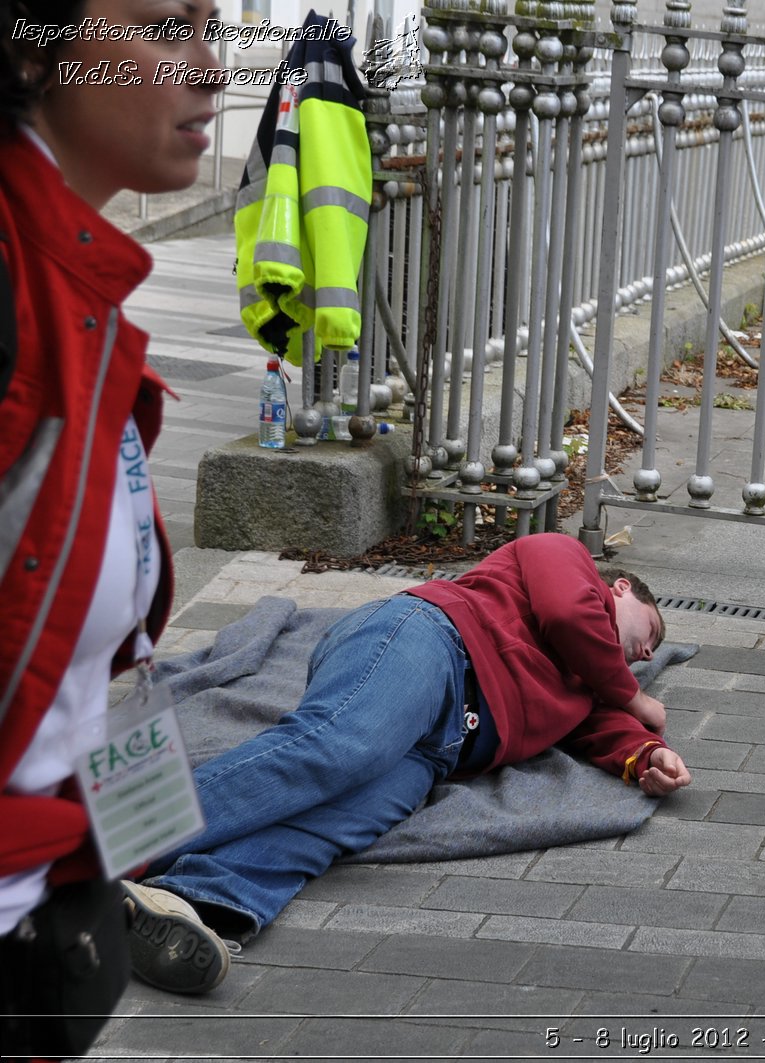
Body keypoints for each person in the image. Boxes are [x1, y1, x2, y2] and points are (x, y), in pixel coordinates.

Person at [122, 533, 692, 995]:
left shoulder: (591, 690)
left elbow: (604, 729)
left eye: (649, 655)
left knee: (339, 822)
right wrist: (637, 696)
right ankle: (106, 838)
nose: (646, 654)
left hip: (439, 752)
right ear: (620, 589)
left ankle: (189, 901)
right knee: (338, 747)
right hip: (431, 641)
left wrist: (648, 754)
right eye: (651, 634)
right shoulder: (562, 554)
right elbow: (570, 616)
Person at [0, 1, 223, 1057]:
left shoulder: (82, 291)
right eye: (165, 25)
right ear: (30, 43)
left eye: (213, 25)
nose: (213, 68)